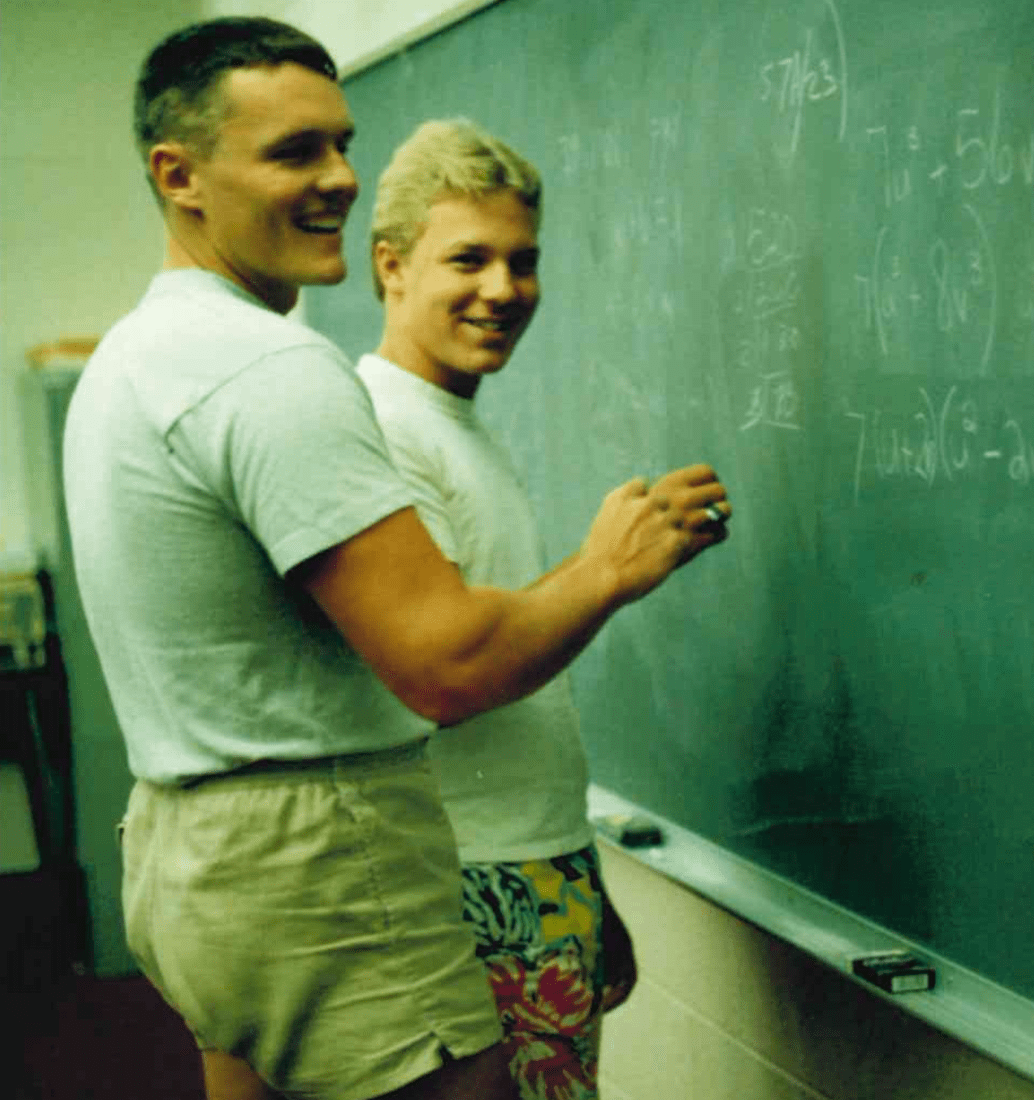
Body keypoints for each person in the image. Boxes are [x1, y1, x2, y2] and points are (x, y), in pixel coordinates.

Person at [62, 17, 730, 1100]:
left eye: (339, 143)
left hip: (194, 849)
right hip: (317, 855)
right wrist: (606, 566)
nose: (336, 177)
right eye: (292, 153)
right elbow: (443, 665)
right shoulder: (270, 367)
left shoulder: (138, 352)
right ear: (177, 175)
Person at [356, 118, 662, 1099]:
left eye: (521, 261)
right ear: (390, 266)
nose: (502, 289)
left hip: (530, 865)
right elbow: (448, 671)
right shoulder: (385, 432)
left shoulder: (455, 423)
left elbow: (516, 670)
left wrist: (576, 868)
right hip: (472, 883)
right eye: (469, 258)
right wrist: (602, 570)